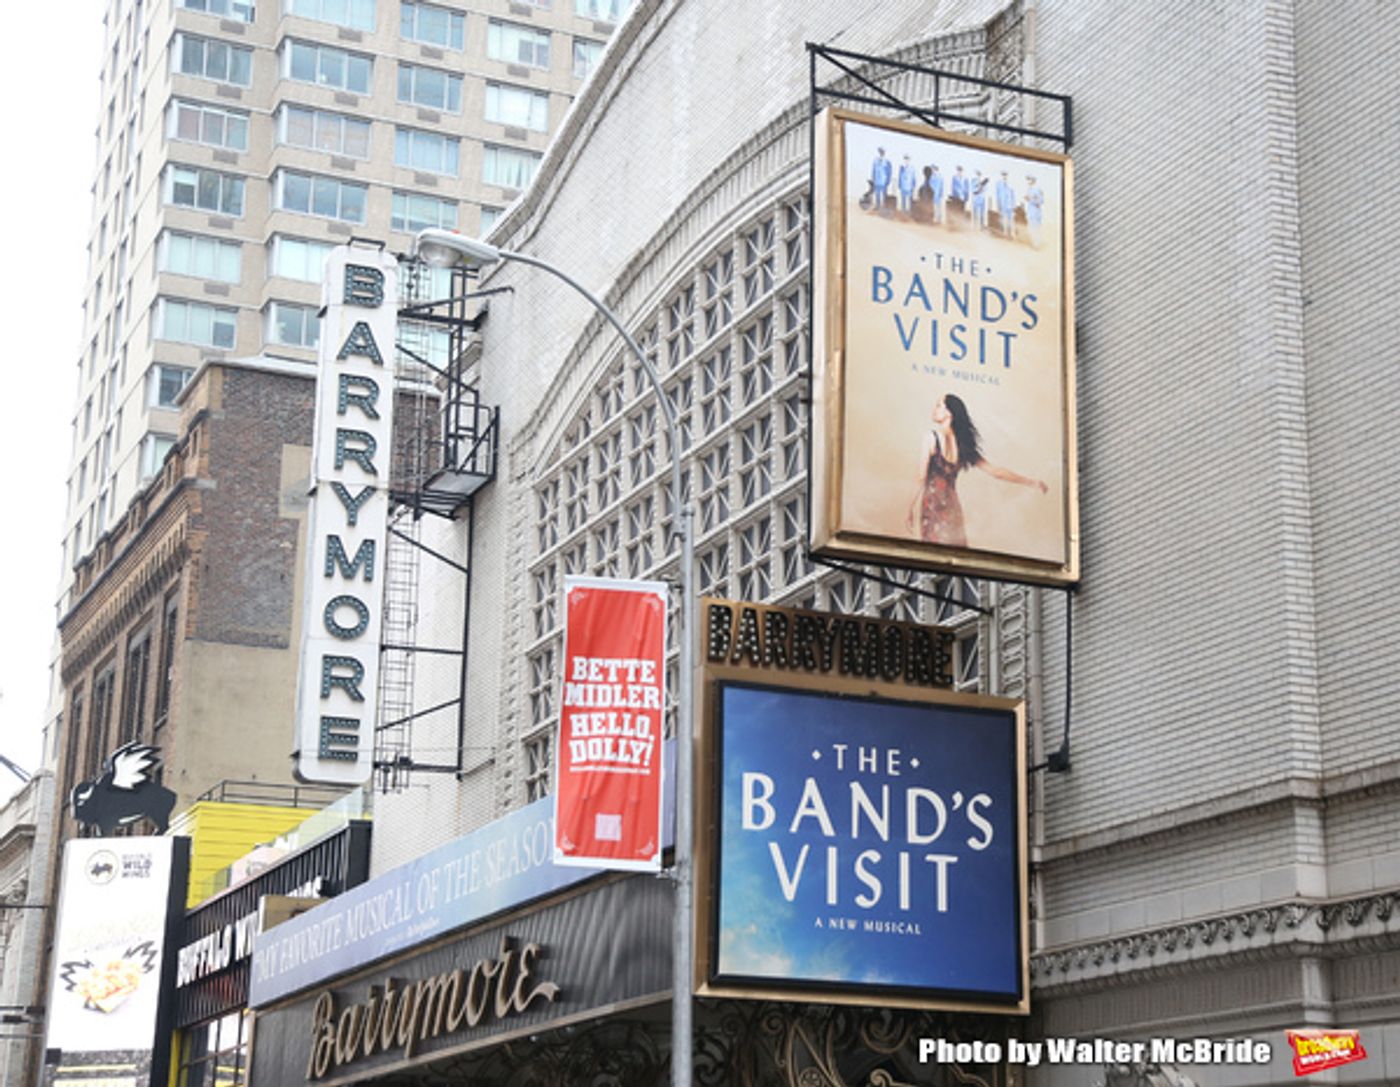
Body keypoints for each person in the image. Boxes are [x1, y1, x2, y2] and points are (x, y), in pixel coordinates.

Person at [904, 393, 1048, 547]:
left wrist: (909, 508)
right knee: (955, 554)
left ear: (949, 413)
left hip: (933, 507)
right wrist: (1031, 482)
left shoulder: (931, 437)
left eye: (939, 405)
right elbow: (996, 472)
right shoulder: (963, 446)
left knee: (934, 556)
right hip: (953, 509)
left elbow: (921, 478)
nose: (934, 409)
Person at [1024, 174, 1045, 248]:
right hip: (1030, 211)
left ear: (1033, 180)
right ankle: (1034, 243)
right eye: (1028, 179)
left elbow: (1041, 201)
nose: (1028, 181)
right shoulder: (1029, 189)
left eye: (1029, 179)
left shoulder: (1037, 189)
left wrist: (1031, 199)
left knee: (1036, 227)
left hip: (1036, 212)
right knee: (1031, 227)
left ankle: (1037, 244)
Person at [870, 148, 892, 215]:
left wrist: (888, 180)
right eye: (880, 152)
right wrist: (873, 178)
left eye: (882, 152)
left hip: (883, 181)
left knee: (884, 194)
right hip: (877, 180)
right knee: (877, 194)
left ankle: (884, 207)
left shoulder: (887, 162)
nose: (881, 153)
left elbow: (889, 172)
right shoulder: (875, 160)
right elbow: (874, 170)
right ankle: (877, 206)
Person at [995, 171, 1016, 238]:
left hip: (1009, 205)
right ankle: (1004, 233)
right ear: (1001, 175)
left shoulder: (1010, 184)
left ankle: (1010, 234)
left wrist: (1013, 205)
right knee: (1003, 219)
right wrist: (998, 204)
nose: (1004, 176)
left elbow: (1013, 195)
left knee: (1010, 220)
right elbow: (997, 195)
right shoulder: (998, 184)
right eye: (1003, 175)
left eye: (1006, 175)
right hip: (1003, 204)